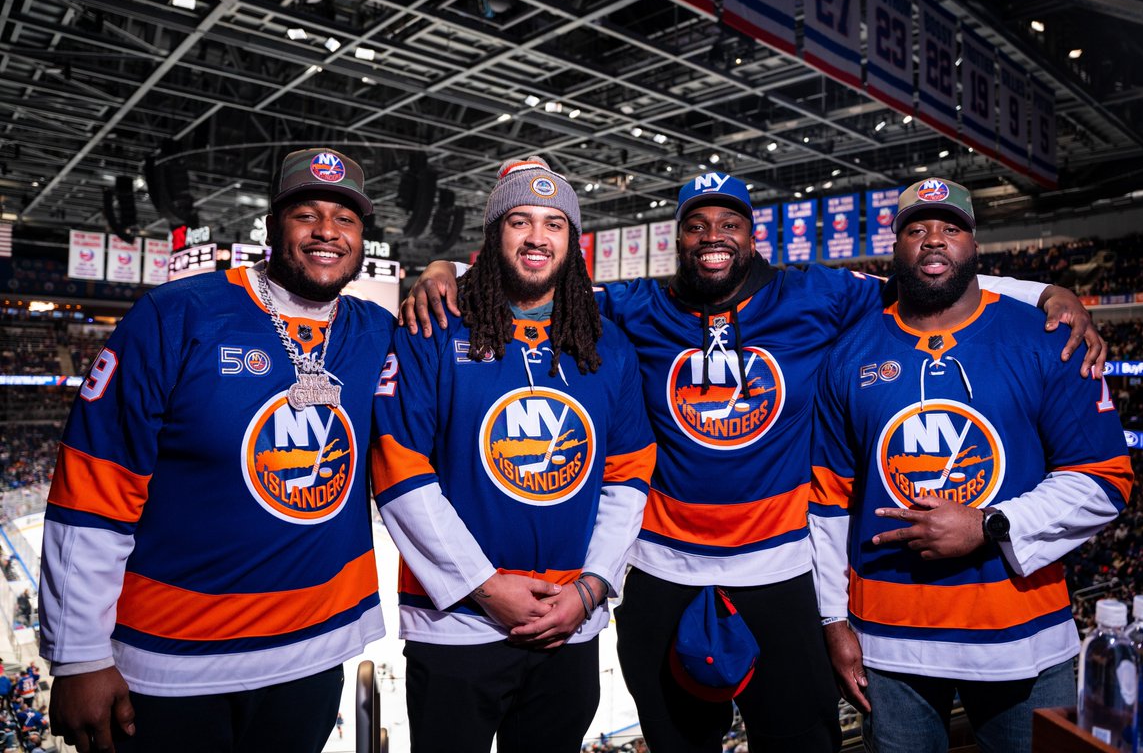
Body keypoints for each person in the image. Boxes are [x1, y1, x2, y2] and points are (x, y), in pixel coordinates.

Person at [402, 171, 1105, 752]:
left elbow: (932, 282)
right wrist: (447, 270)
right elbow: (536, 278)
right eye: (697, 224)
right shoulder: (635, 306)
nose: (714, 237)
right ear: (678, 238)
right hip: (659, 571)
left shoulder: (817, 295)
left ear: (752, 234)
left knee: (803, 741)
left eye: (730, 222)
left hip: (782, 569)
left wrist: (1045, 294)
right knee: (676, 740)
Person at [40, 148, 394, 753]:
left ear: (362, 237)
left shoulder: (375, 329)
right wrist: (78, 657)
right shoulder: (178, 315)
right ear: (273, 225)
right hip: (171, 665)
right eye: (306, 214)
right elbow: (95, 483)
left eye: (346, 220)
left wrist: (443, 269)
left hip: (313, 655)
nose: (327, 232)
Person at [809, 178, 1133, 753]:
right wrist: (834, 620)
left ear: (974, 244)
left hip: (1023, 639)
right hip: (890, 644)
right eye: (917, 229)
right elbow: (828, 501)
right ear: (895, 246)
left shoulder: (1047, 338)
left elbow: (1105, 481)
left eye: (950, 228)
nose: (934, 240)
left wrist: (989, 524)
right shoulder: (848, 354)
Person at [371, 157, 656, 753]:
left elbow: (627, 479)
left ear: (572, 241)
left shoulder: (606, 345)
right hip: (455, 629)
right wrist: (483, 585)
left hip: (567, 626)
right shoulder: (434, 329)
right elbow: (398, 466)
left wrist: (591, 587)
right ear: (494, 232)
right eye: (520, 221)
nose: (536, 237)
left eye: (554, 224)